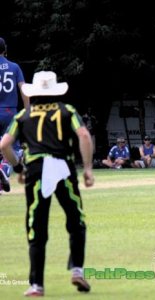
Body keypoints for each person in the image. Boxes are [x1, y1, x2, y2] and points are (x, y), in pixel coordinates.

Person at [0, 71, 94, 296]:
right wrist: (88, 169)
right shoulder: (67, 110)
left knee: (36, 226)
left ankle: (36, 284)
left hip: (36, 170)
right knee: (75, 219)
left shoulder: (23, 116)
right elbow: (83, 136)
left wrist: (20, 168)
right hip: (62, 167)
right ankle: (77, 270)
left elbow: (5, 145)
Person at [0, 37, 29, 193]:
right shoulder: (14, 67)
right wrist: (27, 111)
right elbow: (24, 91)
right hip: (9, 111)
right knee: (13, 149)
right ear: (5, 49)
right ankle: (4, 172)